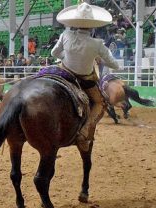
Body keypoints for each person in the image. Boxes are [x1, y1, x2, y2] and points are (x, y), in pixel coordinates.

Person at [51, 2, 119, 151]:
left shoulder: (66, 35)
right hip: (84, 80)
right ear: (92, 26)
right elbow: (114, 64)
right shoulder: (97, 43)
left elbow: (54, 53)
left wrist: (68, 57)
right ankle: (84, 131)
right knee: (100, 103)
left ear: (75, 23)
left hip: (64, 73)